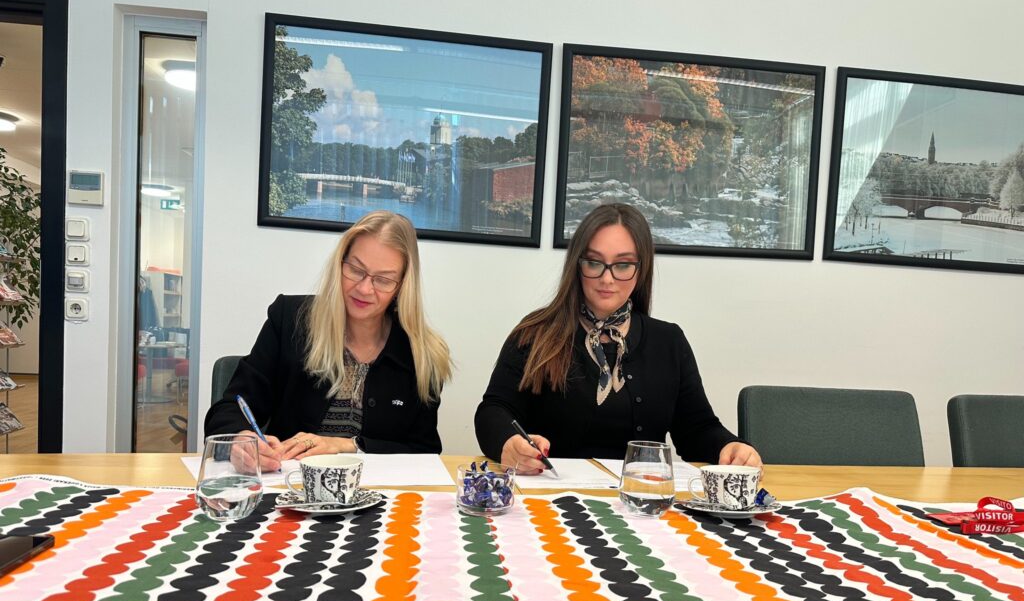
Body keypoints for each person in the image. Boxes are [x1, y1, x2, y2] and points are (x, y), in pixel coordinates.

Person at [474, 203, 760, 473]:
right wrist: (509, 444)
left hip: (642, 496)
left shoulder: (669, 341)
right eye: (594, 262)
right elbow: (493, 411)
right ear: (577, 265)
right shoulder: (535, 333)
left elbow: (696, 429)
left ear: (641, 270)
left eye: (622, 265)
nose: (607, 278)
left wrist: (730, 447)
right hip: (552, 496)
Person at [205, 211, 452, 471]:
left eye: (383, 280)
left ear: (402, 285)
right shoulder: (290, 320)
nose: (364, 289)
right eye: (356, 270)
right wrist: (240, 440)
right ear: (339, 264)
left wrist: (347, 445)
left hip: (378, 492)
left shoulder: (422, 354)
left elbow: (424, 451)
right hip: (289, 485)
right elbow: (229, 409)